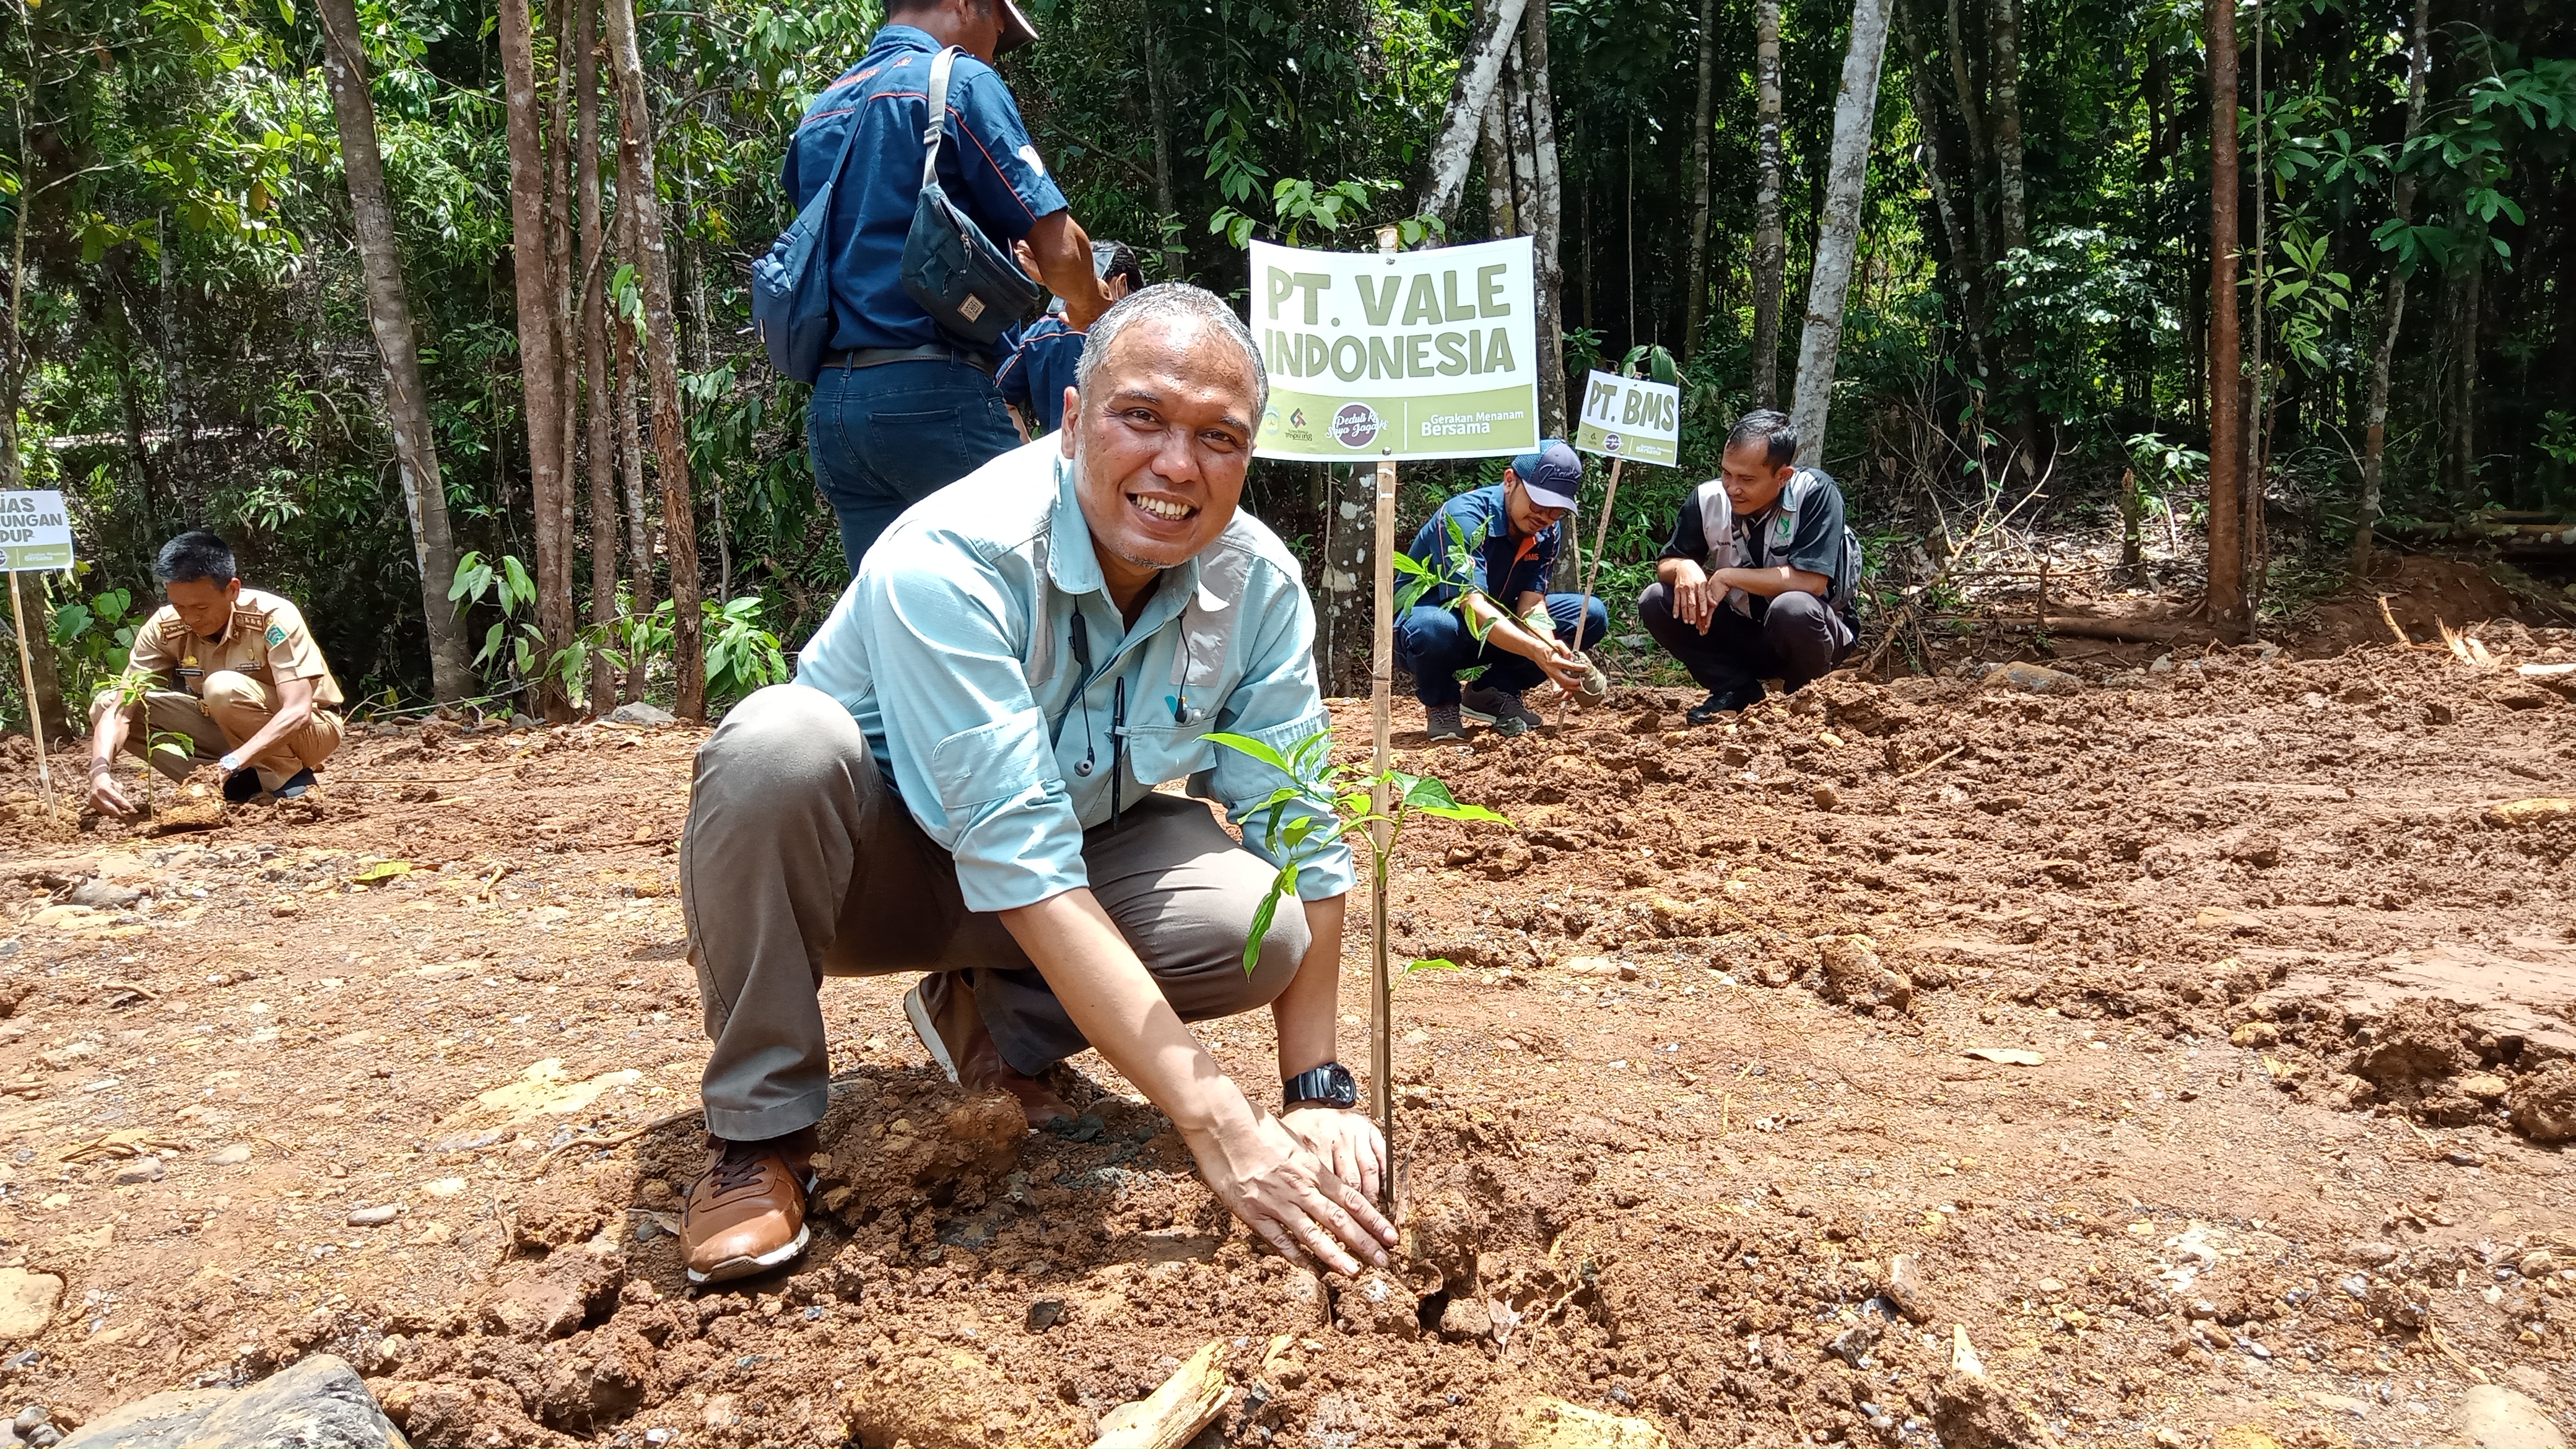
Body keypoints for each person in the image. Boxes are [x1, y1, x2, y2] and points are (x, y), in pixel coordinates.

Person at [675, 284, 1394, 1287]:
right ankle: (761, 1135)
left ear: (1248, 453)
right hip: (872, 875)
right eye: (1140, 416)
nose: (1176, 465)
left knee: (1258, 927)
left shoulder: (1256, 588)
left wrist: (1314, 1090)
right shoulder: (958, 556)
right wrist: (1219, 1124)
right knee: (774, 746)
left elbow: (1303, 838)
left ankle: (995, 1024)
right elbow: (1022, 867)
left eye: (1218, 437)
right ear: (1071, 421)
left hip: (1068, 861)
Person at [786, 0, 1116, 575]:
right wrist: (1091, 310)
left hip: (835, 407)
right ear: (966, 5)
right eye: (998, 30)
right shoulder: (960, 81)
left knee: (895, 620)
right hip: (933, 393)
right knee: (1039, 594)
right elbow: (1061, 251)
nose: (995, 51)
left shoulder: (821, 111)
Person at [85, 531, 346, 814]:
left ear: (232, 589)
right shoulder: (163, 628)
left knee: (223, 688)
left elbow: (298, 710)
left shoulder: (274, 617)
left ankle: (289, 780)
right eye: (179, 606)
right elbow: (121, 711)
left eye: (201, 607)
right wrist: (99, 773)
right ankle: (232, 785)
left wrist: (231, 762)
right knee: (105, 706)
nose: (190, 618)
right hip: (226, 733)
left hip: (309, 731)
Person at [1637, 409, 1862, 725]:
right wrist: (1684, 567)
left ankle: (1805, 700)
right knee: (1656, 599)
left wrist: (1727, 576)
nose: (1732, 488)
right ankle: (1735, 690)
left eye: (1747, 479)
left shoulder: (1815, 493)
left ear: (1783, 476)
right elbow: (1668, 562)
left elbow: (1812, 582)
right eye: (1727, 474)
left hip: (1813, 632)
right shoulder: (1708, 498)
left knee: (1793, 607)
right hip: (1742, 629)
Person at [1391, 440, 1606, 742]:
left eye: (1556, 512)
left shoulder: (1546, 531)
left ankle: (1494, 691)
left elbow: (1531, 605)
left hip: (1499, 627)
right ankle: (1442, 702)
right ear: (1510, 481)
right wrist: (1537, 651)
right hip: (1436, 632)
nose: (1545, 517)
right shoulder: (1464, 517)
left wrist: (1553, 648)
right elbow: (1472, 605)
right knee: (1432, 627)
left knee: (1589, 614)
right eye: (1538, 503)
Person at [996, 240, 1146, 438]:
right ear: (1121, 284)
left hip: (1057, 459)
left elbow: (1000, 400)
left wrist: (1028, 452)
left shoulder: (1036, 333)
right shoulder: (1127, 337)